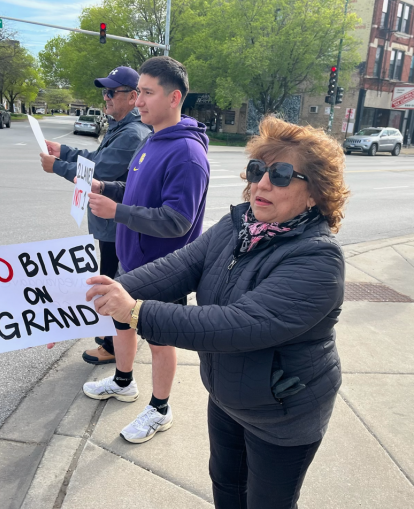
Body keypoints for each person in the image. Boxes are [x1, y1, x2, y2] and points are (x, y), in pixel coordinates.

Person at [86, 115, 348, 508]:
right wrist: (99, 294)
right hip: (228, 393)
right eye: (258, 170)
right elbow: (179, 267)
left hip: (284, 412)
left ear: (315, 193)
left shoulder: (318, 258)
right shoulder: (236, 224)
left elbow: (239, 325)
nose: (261, 183)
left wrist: (136, 311)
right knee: (226, 486)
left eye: (280, 175)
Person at [80, 56, 210, 444]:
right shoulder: (153, 139)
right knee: (120, 322)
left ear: (174, 97)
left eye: (147, 93)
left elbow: (177, 220)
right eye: (137, 92)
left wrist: (117, 211)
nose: (138, 101)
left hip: (165, 269)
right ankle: (123, 382)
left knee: (159, 340)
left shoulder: (187, 154)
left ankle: (159, 409)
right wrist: (110, 190)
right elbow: (140, 194)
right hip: (132, 264)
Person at [39, 66, 151, 365]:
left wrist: (57, 166)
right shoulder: (120, 127)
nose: (106, 97)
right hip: (108, 223)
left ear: (133, 96)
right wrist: (63, 151)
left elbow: (98, 173)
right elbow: (96, 159)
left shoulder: (132, 133)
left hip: (116, 225)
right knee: (108, 282)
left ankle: (112, 348)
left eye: (112, 92)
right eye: (105, 92)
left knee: (110, 285)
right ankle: (111, 343)